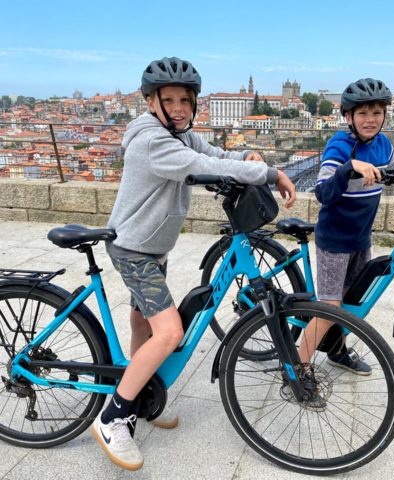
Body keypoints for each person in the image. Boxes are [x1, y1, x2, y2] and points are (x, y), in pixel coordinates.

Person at [91, 56, 296, 471]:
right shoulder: (153, 140)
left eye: (187, 99)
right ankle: (113, 416)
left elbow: (216, 151)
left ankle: (141, 394)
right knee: (169, 332)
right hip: (134, 250)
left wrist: (249, 155)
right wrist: (270, 173)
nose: (181, 107)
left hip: (153, 247)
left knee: (143, 326)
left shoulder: (180, 135)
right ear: (151, 102)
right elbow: (204, 166)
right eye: (171, 100)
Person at [298, 77, 394, 374]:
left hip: (361, 239)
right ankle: (298, 368)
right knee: (330, 307)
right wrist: (349, 168)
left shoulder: (382, 145)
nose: (370, 120)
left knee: (353, 303)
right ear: (348, 117)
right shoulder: (339, 146)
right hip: (334, 241)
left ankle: (336, 351)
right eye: (362, 113)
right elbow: (322, 192)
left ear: (384, 115)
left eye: (376, 113)